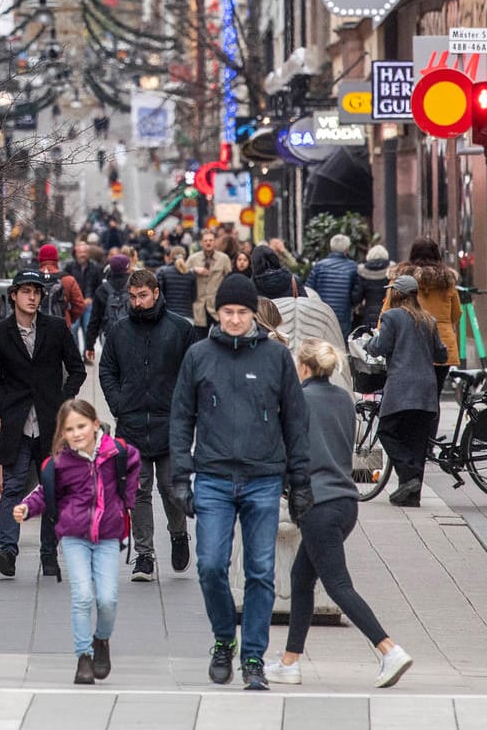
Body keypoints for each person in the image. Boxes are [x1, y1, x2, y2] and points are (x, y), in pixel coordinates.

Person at [169, 273, 313, 691]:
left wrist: (299, 481)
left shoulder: (276, 358)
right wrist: (181, 476)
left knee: (260, 571)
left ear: (255, 315)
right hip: (212, 475)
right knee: (211, 565)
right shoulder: (199, 356)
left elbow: (296, 422)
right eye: (228, 312)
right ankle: (222, 640)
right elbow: (181, 418)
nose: (234, 320)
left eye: (242, 313)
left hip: (263, 478)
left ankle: (252, 655)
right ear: (218, 313)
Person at [265, 340, 413, 689]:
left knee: (338, 585)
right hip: (345, 502)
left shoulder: (299, 401)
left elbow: (288, 450)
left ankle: (388, 649)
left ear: (303, 368)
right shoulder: (343, 399)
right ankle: (290, 662)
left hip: (319, 505)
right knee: (302, 579)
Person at [13, 399, 140, 684]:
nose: (77, 433)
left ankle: (101, 640)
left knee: (107, 599)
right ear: (62, 433)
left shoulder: (115, 452)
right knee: (82, 596)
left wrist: (126, 502)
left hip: (108, 536)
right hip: (74, 537)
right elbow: (44, 492)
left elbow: (134, 463)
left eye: (82, 426)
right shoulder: (60, 463)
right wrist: (27, 508)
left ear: (95, 425)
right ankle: (83, 656)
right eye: (70, 429)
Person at [0, 269, 86, 575]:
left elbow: (77, 369)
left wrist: (62, 400)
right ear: (13, 295)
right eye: (26, 291)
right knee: (13, 487)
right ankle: (8, 551)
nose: (32, 297)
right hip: (17, 422)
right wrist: (4, 404)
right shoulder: (0, 332)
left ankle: (48, 554)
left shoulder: (55, 328)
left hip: (49, 424)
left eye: (37, 292)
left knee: (52, 490)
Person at [98, 268, 196, 582]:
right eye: (133, 296)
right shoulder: (119, 330)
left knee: (171, 489)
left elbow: (192, 374)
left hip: (169, 423)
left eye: (143, 295)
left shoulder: (179, 329)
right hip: (132, 424)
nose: (138, 302)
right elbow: (107, 370)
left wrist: (184, 410)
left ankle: (179, 534)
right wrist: (119, 404)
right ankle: (144, 555)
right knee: (139, 490)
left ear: (155, 293)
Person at [366, 275, 446, 508]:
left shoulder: (391, 316)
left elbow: (381, 347)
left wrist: (368, 344)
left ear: (398, 294)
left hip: (402, 386)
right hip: (426, 388)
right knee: (417, 440)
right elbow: (440, 354)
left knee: (387, 431)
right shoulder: (429, 319)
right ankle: (411, 494)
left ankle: (409, 475)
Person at [384, 238, 459, 391]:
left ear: (412, 254)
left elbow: (386, 310)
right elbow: (456, 314)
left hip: (409, 344)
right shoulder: (447, 281)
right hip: (442, 342)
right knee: (435, 395)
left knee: (409, 393)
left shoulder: (401, 280)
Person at [304, 234, 362, 336]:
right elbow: (356, 294)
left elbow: (308, 290)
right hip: (343, 314)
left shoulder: (319, 266)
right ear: (347, 249)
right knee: (341, 346)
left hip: (322, 312)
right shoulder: (352, 267)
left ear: (331, 247)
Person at [85, 253, 133, 358]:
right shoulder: (134, 286)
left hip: (109, 335)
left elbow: (95, 320)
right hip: (132, 336)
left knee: (111, 366)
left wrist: (89, 345)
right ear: (128, 267)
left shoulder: (102, 289)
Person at [37, 244, 89, 328]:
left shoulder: (33, 278)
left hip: (37, 328)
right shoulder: (68, 279)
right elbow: (79, 305)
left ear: (40, 259)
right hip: (62, 326)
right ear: (56, 259)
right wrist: (69, 318)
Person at [187, 230, 231, 329]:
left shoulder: (224, 258)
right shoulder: (193, 258)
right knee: (199, 339)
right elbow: (183, 274)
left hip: (217, 306)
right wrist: (194, 270)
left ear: (215, 242)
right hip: (199, 306)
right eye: (205, 240)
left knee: (220, 337)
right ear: (201, 243)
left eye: (211, 240)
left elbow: (230, 279)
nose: (208, 242)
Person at [63, 242, 104, 348]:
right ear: (76, 253)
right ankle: (75, 354)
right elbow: (65, 284)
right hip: (73, 303)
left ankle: (86, 353)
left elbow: (99, 286)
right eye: (80, 252)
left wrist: (92, 298)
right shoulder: (69, 266)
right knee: (73, 329)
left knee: (88, 328)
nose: (83, 254)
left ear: (89, 253)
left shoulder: (95, 267)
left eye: (85, 252)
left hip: (89, 303)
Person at [353, 244, 392, 331]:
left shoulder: (362, 272)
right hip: (387, 312)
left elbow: (356, 297)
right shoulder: (392, 271)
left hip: (368, 314)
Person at [158, 247, 198, 322]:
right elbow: (194, 297)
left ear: (170, 256)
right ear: (185, 256)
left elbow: (160, 294)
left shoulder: (163, 272)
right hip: (187, 316)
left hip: (169, 315)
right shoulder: (191, 275)